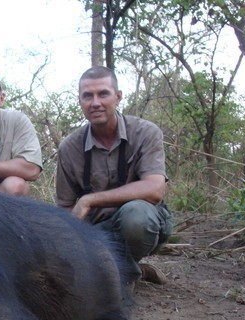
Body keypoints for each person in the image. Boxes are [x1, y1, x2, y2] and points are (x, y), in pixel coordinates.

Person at [56, 66, 173, 284]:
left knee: (136, 217)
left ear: (118, 97)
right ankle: (132, 271)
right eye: (87, 96)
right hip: (97, 233)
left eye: (103, 94)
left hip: (143, 225)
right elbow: (65, 209)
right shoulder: (69, 147)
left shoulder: (146, 132)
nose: (95, 103)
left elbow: (155, 189)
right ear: (80, 100)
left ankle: (121, 275)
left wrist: (89, 199)